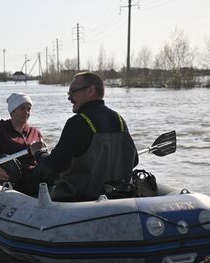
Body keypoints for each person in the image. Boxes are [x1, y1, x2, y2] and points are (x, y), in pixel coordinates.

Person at [29, 72, 138, 201]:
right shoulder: (119, 119)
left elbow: (54, 165)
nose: (69, 98)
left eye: (72, 93)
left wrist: (38, 153)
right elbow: (134, 160)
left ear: (91, 90)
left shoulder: (77, 123)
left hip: (80, 202)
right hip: (117, 199)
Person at [0, 92, 43, 195]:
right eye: (22, 108)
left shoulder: (35, 132)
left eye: (29, 109)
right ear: (12, 111)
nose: (26, 112)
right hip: (11, 177)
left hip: (33, 175)